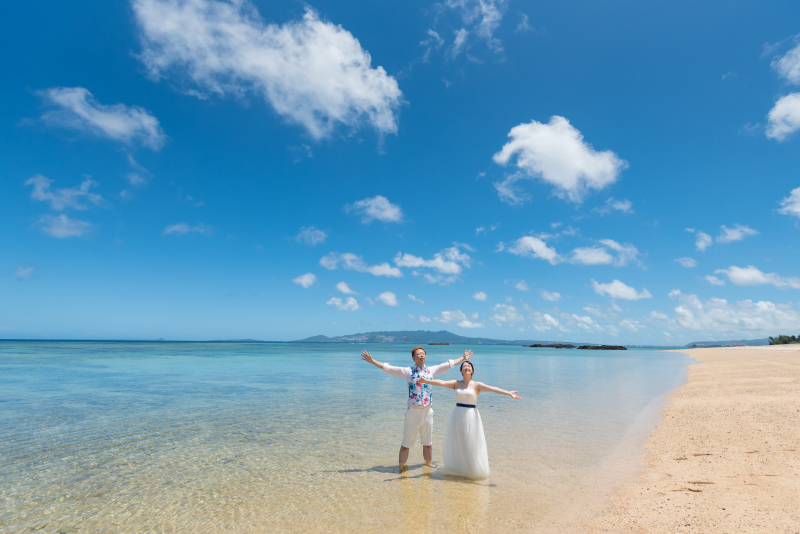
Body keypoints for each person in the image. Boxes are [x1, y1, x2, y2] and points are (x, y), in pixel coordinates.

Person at [361, 346, 473, 473]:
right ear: (413, 358)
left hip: (427, 412)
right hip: (412, 413)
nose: (422, 355)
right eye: (419, 354)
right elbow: (388, 368)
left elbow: (448, 365)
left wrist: (463, 358)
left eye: (423, 354)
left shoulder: (431, 370)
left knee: (428, 442)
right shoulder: (407, 371)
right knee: (406, 444)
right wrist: (372, 361)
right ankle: (400, 468)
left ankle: (428, 465)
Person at [419, 360, 520, 478]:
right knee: (457, 442)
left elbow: (493, 388)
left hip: (471, 416)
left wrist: (508, 393)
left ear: (472, 370)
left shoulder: (477, 385)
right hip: (457, 415)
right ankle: (459, 469)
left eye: (469, 366)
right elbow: (441, 382)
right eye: (464, 366)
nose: (466, 367)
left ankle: (472, 471)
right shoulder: (456, 383)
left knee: (471, 443)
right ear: (461, 370)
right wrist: (426, 381)